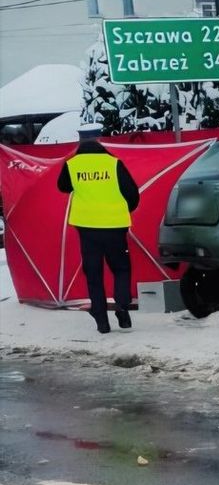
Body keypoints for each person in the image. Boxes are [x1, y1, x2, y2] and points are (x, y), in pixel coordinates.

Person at [56, 124, 140, 334]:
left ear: (80, 141)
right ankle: (121, 306)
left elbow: (63, 186)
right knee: (121, 268)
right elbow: (132, 193)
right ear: (100, 140)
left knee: (93, 273)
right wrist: (124, 209)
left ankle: (102, 320)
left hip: (86, 228)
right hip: (114, 226)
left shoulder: (72, 164)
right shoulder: (113, 163)